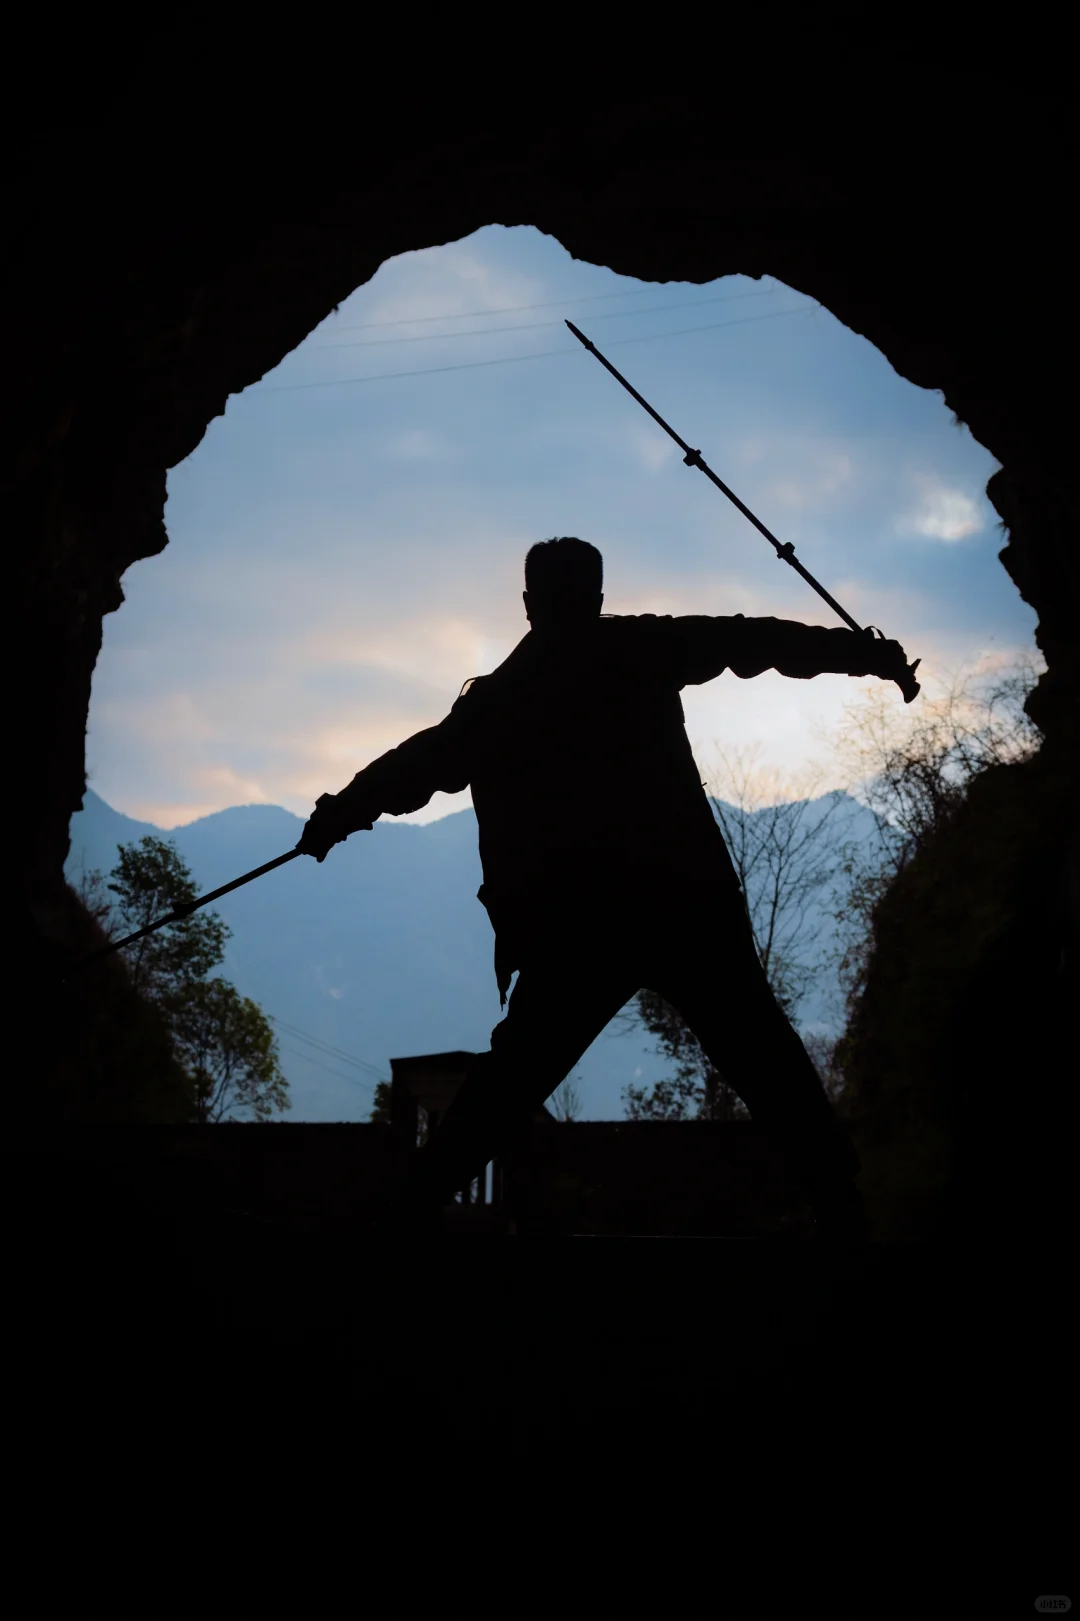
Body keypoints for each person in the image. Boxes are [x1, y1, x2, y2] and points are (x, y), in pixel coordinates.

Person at [297, 537, 912, 1239]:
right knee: (762, 1054)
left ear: (528, 604)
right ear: (596, 598)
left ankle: (409, 1210)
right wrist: (867, 655)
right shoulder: (644, 649)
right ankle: (843, 1206)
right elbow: (754, 640)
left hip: (577, 928)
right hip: (686, 904)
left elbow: (413, 766)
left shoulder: (497, 702)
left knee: (513, 1078)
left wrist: (337, 816)